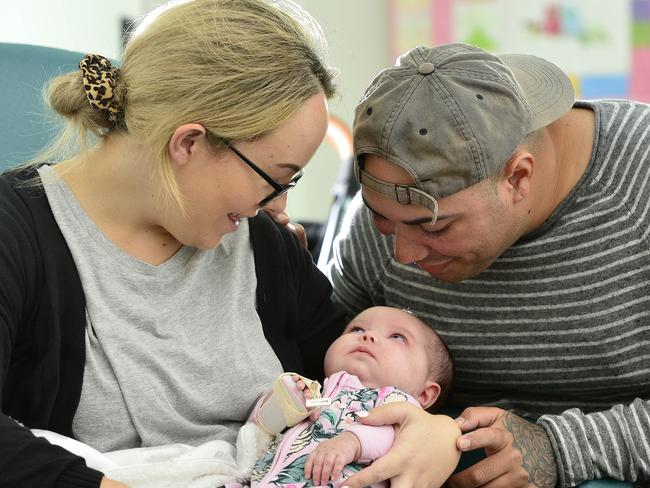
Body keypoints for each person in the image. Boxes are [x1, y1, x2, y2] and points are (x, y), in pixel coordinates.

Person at [0, 1, 351, 487]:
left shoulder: (263, 246)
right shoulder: (14, 234)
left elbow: (364, 367)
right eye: (273, 179)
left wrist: (420, 428)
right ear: (187, 143)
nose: (277, 205)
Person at [326, 43, 650, 488]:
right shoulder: (390, 209)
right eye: (382, 218)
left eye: (434, 228)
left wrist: (560, 448)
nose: (402, 255)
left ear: (518, 177)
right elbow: (320, 356)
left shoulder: (640, 183)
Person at [242, 305, 459, 488]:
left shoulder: (397, 403)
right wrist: (286, 401)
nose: (368, 336)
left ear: (424, 394)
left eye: (397, 337)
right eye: (356, 329)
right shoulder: (317, 392)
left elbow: (395, 437)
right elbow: (261, 428)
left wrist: (352, 443)